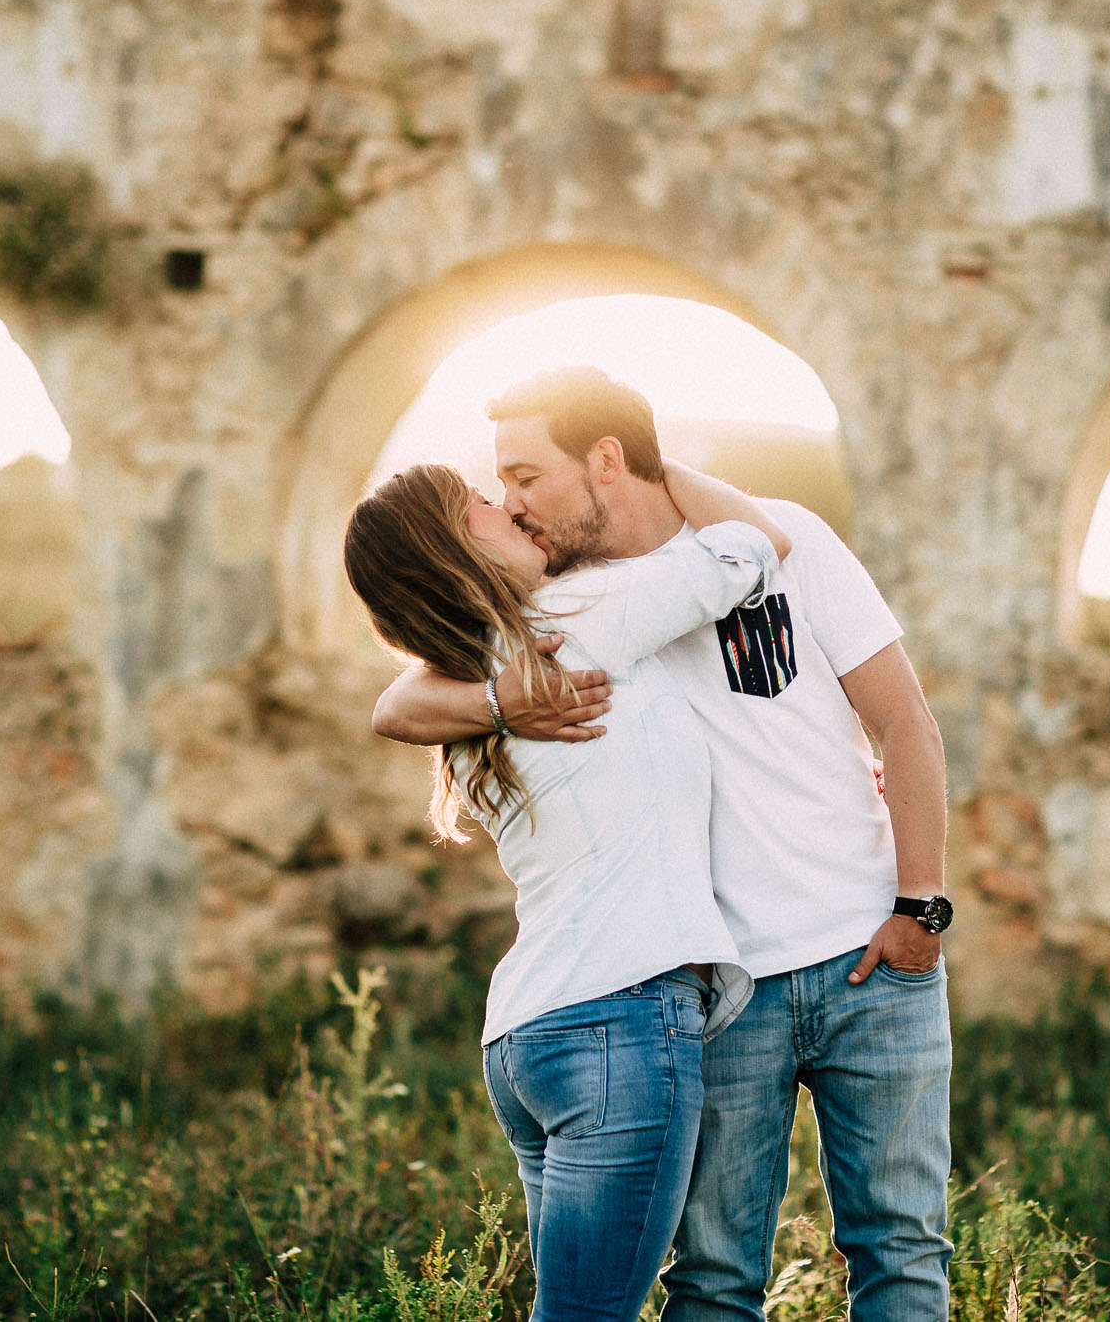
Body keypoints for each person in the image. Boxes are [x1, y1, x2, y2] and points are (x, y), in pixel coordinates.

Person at [374, 367, 955, 1321]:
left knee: (902, 1250)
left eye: (525, 476)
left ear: (606, 459)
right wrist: (497, 699)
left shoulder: (786, 535)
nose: (511, 503)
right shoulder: (559, 603)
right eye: (498, 487)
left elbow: (906, 723)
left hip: (873, 955)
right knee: (716, 1278)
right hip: (720, 989)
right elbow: (396, 700)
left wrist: (919, 907)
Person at [342, 452, 793, 1322]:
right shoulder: (580, 616)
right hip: (620, 1019)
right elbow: (754, 543)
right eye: (481, 502)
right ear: (453, 546)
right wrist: (647, 457)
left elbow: (394, 703)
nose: (508, 508)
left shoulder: (465, 686)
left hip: (529, 1036)